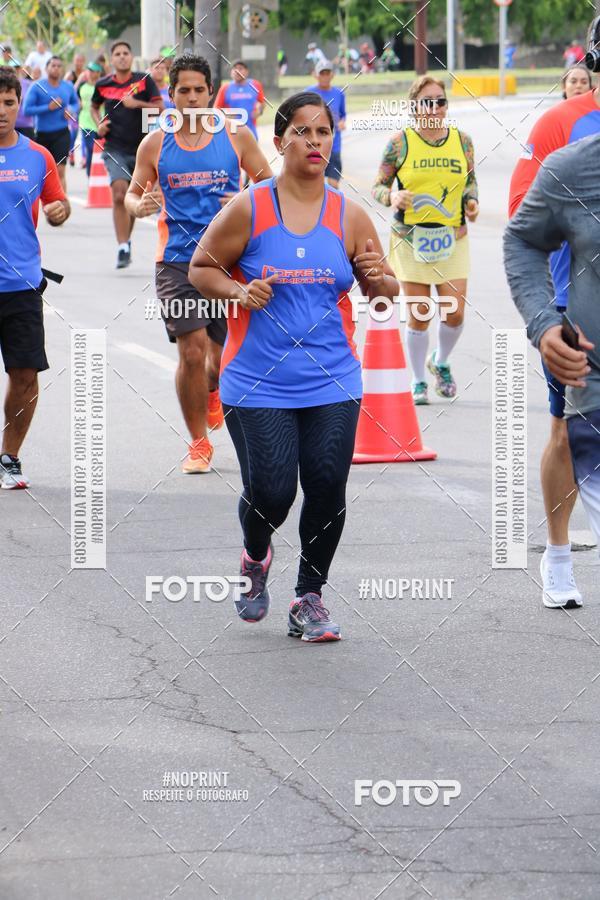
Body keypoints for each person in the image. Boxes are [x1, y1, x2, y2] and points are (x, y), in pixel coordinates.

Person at [188, 91, 399, 642]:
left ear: (333, 141)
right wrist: (238, 288)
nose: (313, 142)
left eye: (322, 132)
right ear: (279, 142)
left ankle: (309, 597)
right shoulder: (250, 207)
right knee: (275, 491)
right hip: (256, 382)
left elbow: (384, 292)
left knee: (327, 484)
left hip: (332, 377)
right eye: (301, 132)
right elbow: (200, 269)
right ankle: (256, 556)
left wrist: (381, 280)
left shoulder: (349, 213)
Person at [124, 54, 273, 474]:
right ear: (170, 95)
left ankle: (212, 390)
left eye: (199, 90)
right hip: (176, 262)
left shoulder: (236, 135)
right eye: (183, 90)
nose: (192, 98)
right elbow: (132, 196)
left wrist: (245, 199)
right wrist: (139, 206)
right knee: (191, 352)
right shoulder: (155, 143)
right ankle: (197, 443)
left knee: (218, 358)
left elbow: (269, 186)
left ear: (212, 92)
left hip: (228, 260)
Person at [508, 17, 600, 608]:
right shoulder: (560, 130)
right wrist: (544, 319)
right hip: (577, 316)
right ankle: (559, 556)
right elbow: (522, 219)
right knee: (566, 436)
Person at [372, 75, 479, 405]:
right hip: (410, 240)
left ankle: (441, 361)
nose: (434, 107)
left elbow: (470, 180)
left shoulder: (463, 141)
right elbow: (378, 187)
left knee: (455, 312)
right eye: (427, 101)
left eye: (440, 101)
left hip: (452, 239)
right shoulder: (399, 143)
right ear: (414, 107)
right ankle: (418, 379)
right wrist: (394, 197)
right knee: (419, 313)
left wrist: (472, 203)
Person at [0, 66, 70, 489]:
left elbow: (57, 204)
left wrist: (60, 212)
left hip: (21, 285)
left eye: (8, 102)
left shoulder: (38, 156)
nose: (1, 110)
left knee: (25, 375)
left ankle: (9, 456)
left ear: (18, 104)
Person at [91, 41, 163, 269]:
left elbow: (160, 108)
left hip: (142, 149)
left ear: (131, 57)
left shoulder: (144, 81)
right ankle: (122, 247)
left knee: (132, 197)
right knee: (119, 193)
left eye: (126, 53)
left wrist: (137, 104)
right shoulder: (103, 84)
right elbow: (94, 106)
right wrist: (99, 122)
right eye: (117, 54)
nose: (122, 57)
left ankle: (126, 240)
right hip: (114, 148)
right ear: (112, 60)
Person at [23, 55, 79, 191]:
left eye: (59, 66)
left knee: (60, 171)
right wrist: (48, 107)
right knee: (42, 174)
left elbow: (75, 103)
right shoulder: (37, 86)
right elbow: (26, 110)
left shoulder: (68, 87)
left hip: (62, 134)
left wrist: (71, 111)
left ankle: (62, 204)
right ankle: (45, 203)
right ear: (46, 68)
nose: (56, 68)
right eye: (53, 65)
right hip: (42, 135)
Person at [309, 60, 346, 188]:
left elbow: (343, 114)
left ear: (332, 75)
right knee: (315, 183)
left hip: (334, 144)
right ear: (315, 75)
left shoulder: (339, 94)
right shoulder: (308, 93)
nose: (325, 76)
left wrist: (342, 122)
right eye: (322, 73)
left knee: (333, 184)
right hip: (314, 145)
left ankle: (333, 207)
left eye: (327, 73)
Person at [214, 61, 264, 141]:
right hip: (231, 133)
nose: (237, 71)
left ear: (247, 72)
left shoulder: (255, 85)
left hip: (250, 131)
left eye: (240, 69)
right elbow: (216, 109)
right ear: (231, 73)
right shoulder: (225, 88)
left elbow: (261, 103)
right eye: (234, 69)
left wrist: (259, 111)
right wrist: (226, 114)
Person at [77, 61, 102, 177]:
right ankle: (90, 176)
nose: (91, 73)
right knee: (90, 148)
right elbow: (73, 94)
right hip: (85, 122)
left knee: (100, 150)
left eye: (93, 71)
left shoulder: (102, 86)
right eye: (89, 71)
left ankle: (99, 175)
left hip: (100, 121)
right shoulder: (82, 86)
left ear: (98, 73)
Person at [65, 52, 86, 166]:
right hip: (73, 108)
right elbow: (66, 90)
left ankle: (84, 158)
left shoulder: (87, 74)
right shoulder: (70, 75)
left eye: (81, 60)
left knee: (84, 133)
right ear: (74, 61)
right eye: (77, 60)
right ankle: (71, 154)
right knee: (73, 133)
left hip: (85, 108)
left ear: (84, 61)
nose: (79, 63)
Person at [14, 63, 35, 140]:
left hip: (27, 125)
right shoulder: (6, 84)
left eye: (17, 68)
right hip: (12, 126)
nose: (15, 70)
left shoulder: (29, 84)